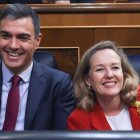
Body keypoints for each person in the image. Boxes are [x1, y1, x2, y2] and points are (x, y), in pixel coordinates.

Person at [0, 3, 75, 131]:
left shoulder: (58, 85)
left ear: (37, 41)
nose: (13, 45)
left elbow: (61, 137)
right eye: (5, 36)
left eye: (22, 38)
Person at [67, 40, 140, 130]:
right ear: (88, 79)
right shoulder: (79, 120)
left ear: (124, 73)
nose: (109, 75)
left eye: (115, 67)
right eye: (100, 69)